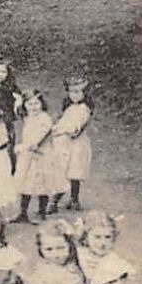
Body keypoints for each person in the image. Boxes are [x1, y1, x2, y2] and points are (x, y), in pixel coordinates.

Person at [14, 90, 65, 223]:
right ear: (24, 105)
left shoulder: (45, 119)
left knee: (43, 184)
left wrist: (23, 147)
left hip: (43, 155)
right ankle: (23, 213)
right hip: (28, 156)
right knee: (26, 183)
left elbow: (40, 137)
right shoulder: (27, 117)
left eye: (36, 103)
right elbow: (17, 111)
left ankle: (42, 213)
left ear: (42, 104)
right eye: (29, 104)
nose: (33, 107)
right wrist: (18, 101)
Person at [49, 77, 93, 212]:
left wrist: (58, 129)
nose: (74, 95)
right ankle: (61, 200)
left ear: (85, 94)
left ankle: (66, 200)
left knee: (75, 172)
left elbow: (75, 129)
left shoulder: (84, 109)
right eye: (72, 92)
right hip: (64, 144)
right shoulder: (69, 108)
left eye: (78, 92)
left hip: (77, 145)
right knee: (62, 171)